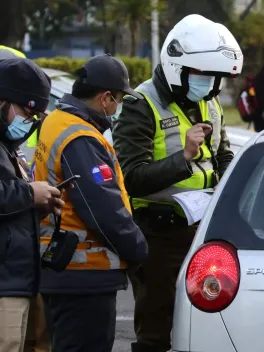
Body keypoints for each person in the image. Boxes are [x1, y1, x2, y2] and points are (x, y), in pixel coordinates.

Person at [112, 14, 242, 352]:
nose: (211, 85)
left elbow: (221, 155)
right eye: (203, 75)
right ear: (177, 68)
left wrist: (232, 185)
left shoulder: (209, 102)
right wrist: (184, 157)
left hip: (204, 229)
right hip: (157, 234)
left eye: (216, 78)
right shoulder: (139, 106)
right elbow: (132, 179)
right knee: (157, 331)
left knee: (210, 323)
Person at [32, 54, 148, 352]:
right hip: (85, 277)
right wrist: (139, 251)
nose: (117, 107)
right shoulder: (81, 137)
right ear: (105, 97)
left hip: (62, 269)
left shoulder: (56, 121)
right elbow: (104, 210)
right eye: (119, 100)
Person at [0, 57, 64, 352]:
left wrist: (41, 202)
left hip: (19, 281)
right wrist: (29, 193)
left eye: (38, 114)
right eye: (28, 111)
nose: (32, 121)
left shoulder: (9, 148)